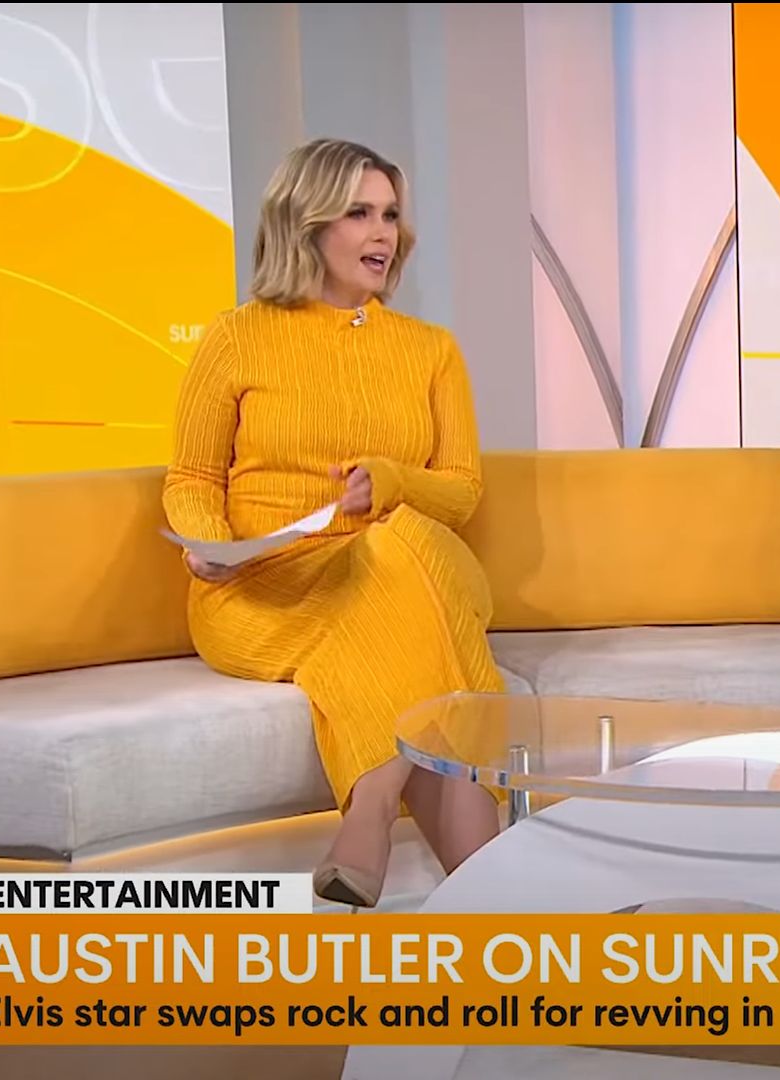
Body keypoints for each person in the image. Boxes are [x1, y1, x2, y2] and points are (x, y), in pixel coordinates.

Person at [164, 138, 504, 908]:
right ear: (307, 222)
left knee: (399, 548)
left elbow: (460, 494)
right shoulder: (237, 337)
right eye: (359, 213)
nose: (383, 233)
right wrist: (207, 544)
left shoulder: (430, 351)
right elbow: (191, 478)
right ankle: (504, 914)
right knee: (433, 644)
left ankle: (371, 806)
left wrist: (390, 483)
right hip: (266, 589)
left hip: (390, 565)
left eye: (389, 214)